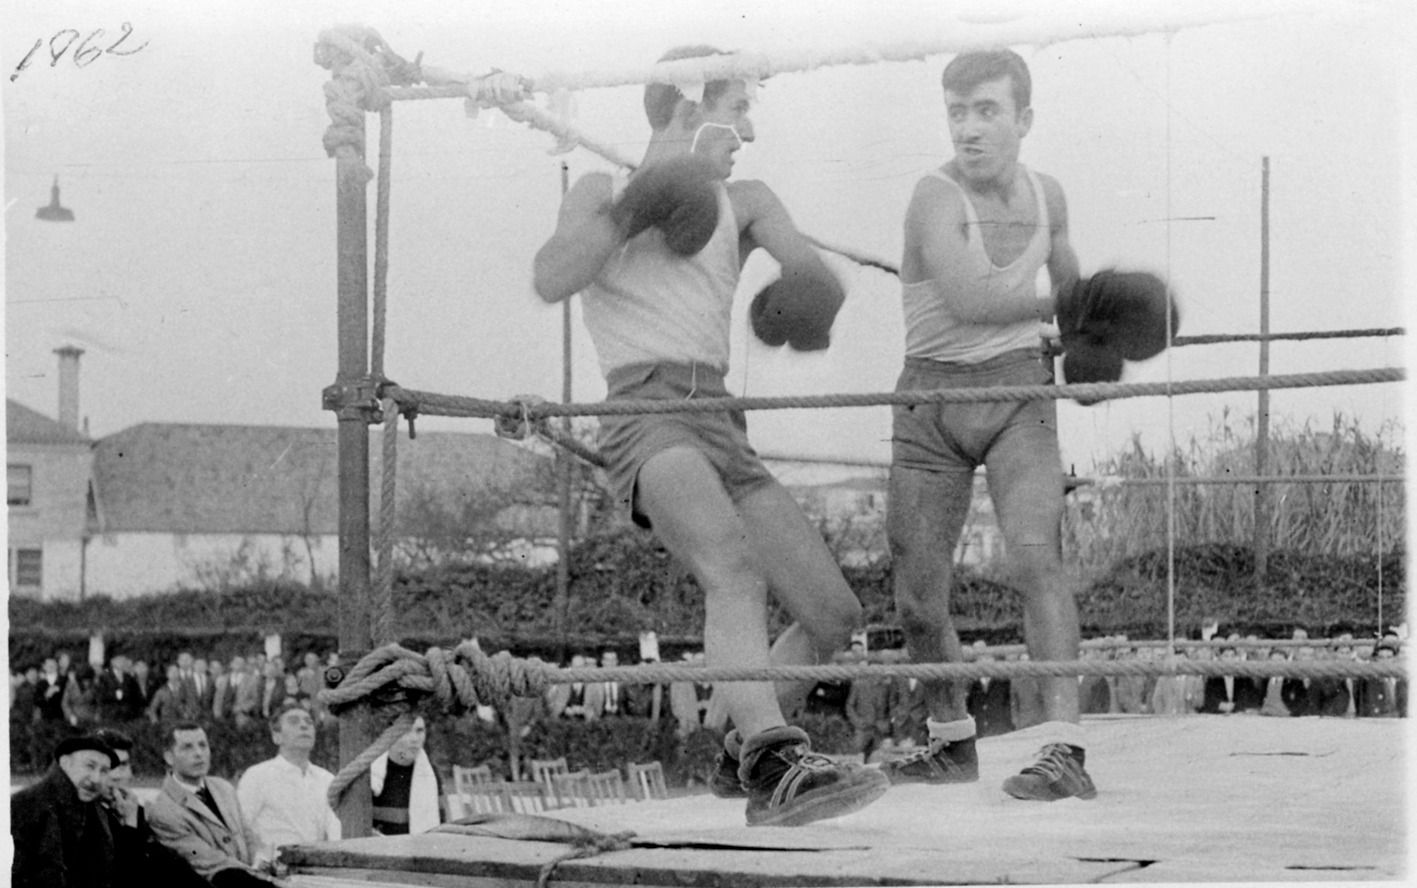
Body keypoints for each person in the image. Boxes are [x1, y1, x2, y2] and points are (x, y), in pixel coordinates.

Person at [532, 43, 886, 827]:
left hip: (721, 419)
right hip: (643, 413)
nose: (748, 132)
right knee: (729, 562)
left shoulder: (748, 198)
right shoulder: (601, 185)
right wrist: (638, 206)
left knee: (832, 615)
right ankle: (775, 757)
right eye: (736, 112)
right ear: (689, 110)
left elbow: (811, 271)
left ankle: (740, 755)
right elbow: (551, 277)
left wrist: (809, 293)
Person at [879, 48, 1173, 800]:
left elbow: (1073, 302)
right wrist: (1074, 309)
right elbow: (973, 297)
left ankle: (1061, 748)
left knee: (1037, 559)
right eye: (956, 112)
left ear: (1023, 119)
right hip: (931, 402)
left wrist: (1092, 351)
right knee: (917, 601)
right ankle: (949, 740)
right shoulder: (932, 197)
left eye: (986, 111)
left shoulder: (1049, 197)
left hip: (1016, 395)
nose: (968, 129)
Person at [146, 721, 278, 886]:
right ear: (169, 757)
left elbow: (247, 834)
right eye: (187, 747)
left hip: (249, 878)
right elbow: (206, 861)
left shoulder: (223, 788)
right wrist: (259, 876)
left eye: (203, 745)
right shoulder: (163, 811)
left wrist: (260, 858)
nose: (199, 753)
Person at [10, 732, 138, 888]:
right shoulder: (26, 806)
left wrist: (130, 824)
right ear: (65, 763)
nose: (96, 778)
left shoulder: (96, 810)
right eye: (89, 766)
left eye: (104, 771)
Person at [91, 728, 213, 888]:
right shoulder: (86, 817)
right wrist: (129, 825)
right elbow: (125, 875)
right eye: (108, 768)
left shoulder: (135, 810)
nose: (116, 776)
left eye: (123, 765)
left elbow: (169, 863)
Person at [237, 701, 341, 867]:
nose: (303, 726)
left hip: (319, 871)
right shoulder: (257, 776)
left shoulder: (327, 779)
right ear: (276, 736)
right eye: (294, 722)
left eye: (309, 722)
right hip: (271, 872)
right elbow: (240, 830)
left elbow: (337, 833)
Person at [370, 716, 445, 835]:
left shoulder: (431, 774)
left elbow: (442, 823)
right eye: (406, 731)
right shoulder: (373, 776)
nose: (415, 739)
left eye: (419, 731)